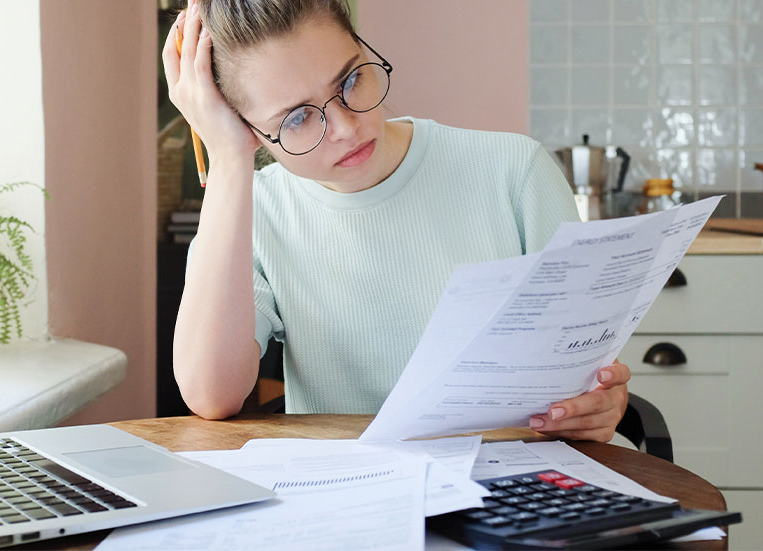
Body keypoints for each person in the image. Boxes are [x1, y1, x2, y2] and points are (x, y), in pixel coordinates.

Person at [163, 0, 630, 442]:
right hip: (351, 494)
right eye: (298, 118)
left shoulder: (514, 170)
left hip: (514, 482)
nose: (346, 128)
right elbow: (212, 395)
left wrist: (598, 403)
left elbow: (584, 373)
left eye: (349, 82)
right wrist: (227, 159)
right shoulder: (257, 210)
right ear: (250, 130)